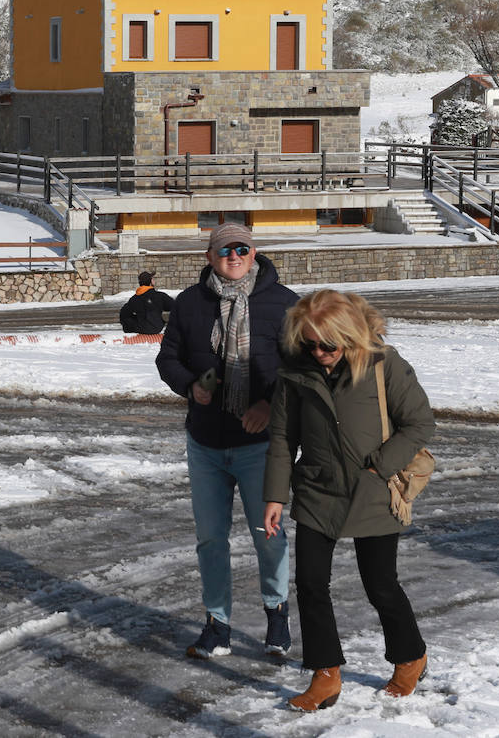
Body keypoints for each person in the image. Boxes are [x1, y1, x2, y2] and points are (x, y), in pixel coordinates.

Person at [262, 289, 434, 711]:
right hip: (318, 491)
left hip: (373, 493)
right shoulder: (295, 373)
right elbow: (284, 439)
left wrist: (379, 466)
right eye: (310, 343)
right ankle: (325, 674)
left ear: (351, 336)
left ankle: (411, 657)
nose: (318, 352)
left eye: (328, 344)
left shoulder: (385, 365)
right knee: (310, 585)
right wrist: (274, 497)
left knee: (380, 586)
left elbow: (419, 423)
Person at [156, 222, 296, 659]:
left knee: (268, 535)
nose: (233, 256)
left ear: (255, 253)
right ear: (209, 257)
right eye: (224, 250)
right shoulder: (190, 304)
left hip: (261, 446)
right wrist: (190, 387)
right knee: (211, 539)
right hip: (206, 443)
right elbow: (168, 358)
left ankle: (276, 615)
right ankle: (217, 625)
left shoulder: (285, 304)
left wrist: (271, 406)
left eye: (242, 249)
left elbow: (305, 370)